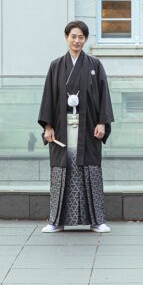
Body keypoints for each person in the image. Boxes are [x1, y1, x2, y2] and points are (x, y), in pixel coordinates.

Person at [37, 20, 114, 234]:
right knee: (62, 172)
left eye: (81, 37)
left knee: (90, 171)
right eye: (73, 36)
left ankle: (96, 220)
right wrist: (48, 126)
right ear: (66, 38)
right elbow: (49, 98)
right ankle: (56, 221)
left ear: (86, 39)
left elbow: (103, 95)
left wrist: (102, 122)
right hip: (62, 128)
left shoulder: (94, 66)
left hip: (88, 128)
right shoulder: (56, 66)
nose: (77, 40)